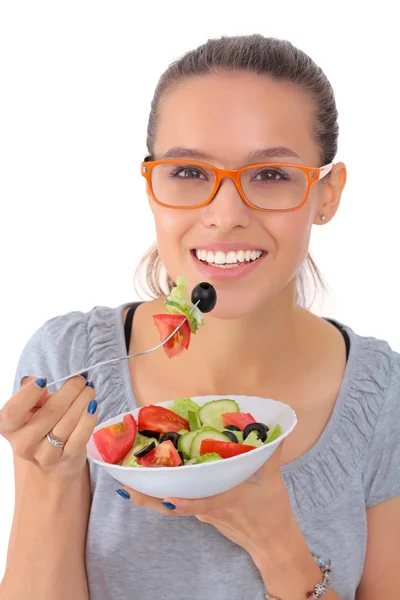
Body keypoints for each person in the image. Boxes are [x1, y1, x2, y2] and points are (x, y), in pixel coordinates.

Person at [0, 34, 399, 600]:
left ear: (326, 194)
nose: (225, 215)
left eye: (270, 176)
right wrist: (52, 478)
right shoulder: (70, 362)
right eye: (188, 172)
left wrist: (277, 545)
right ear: (152, 186)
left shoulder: (384, 396)